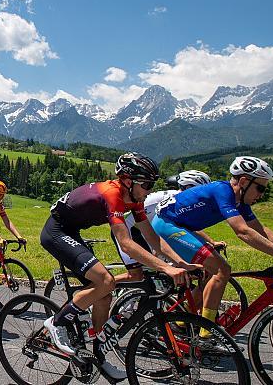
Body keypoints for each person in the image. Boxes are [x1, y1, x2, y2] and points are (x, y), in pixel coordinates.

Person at [40, 152, 193, 381]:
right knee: (106, 281)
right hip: (56, 232)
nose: (150, 190)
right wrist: (165, 268)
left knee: (104, 294)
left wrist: (179, 263)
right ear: (129, 181)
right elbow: (126, 243)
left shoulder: (134, 198)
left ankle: (97, 353)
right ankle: (57, 321)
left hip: (71, 231)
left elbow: (152, 237)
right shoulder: (113, 194)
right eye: (147, 184)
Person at [153, 156, 273, 337]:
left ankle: (181, 320)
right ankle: (206, 333)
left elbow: (262, 230)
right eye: (260, 188)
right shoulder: (223, 191)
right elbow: (243, 231)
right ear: (244, 181)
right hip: (167, 225)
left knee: (210, 273)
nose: (261, 194)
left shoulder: (240, 202)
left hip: (182, 226)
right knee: (222, 269)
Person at [113, 170, 216, 283]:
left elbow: (186, 228)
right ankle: (104, 284)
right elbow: (156, 227)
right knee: (137, 275)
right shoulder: (174, 200)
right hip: (130, 230)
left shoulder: (183, 201)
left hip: (145, 230)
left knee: (170, 266)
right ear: (188, 188)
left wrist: (211, 241)